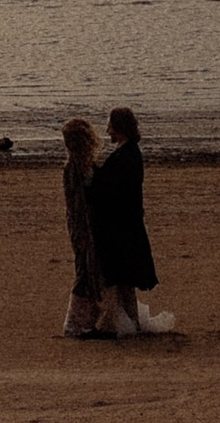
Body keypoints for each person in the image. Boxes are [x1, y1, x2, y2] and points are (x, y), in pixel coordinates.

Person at [87, 105, 173, 336]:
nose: (108, 131)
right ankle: (130, 323)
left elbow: (109, 188)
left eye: (111, 126)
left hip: (121, 226)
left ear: (119, 127)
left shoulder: (127, 155)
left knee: (117, 277)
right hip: (126, 224)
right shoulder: (128, 152)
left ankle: (118, 324)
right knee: (124, 280)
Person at [59, 117, 103, 336]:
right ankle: (75, 323)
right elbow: (77, 204)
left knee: (90, 271)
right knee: (83, 271)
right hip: (82, 226)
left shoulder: (82, 165)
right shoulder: (74, 168)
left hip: (86, 224)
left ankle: (85, 321)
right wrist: (82, 232)